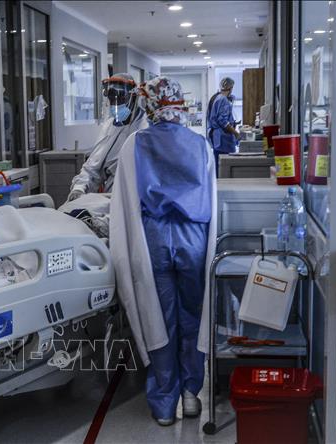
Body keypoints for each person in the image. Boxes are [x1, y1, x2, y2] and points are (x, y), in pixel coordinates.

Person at [109, 77, 217, 426]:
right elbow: (212, 199)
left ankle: (164, 403)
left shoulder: (134, 144)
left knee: (159, 317)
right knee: (193, 315)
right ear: (179, 103)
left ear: (149, 104)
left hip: (153, 239)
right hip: (193, 239)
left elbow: (124, 202)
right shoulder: (200, 145)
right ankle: (191, 394)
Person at [66, 73, 147, 202]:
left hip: (140, 199)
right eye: (111, 99)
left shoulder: (147, 127)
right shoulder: (110, 126)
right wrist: (79, 188)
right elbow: (92, 167)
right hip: (111, 199)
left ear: (134, 97)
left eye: (120, 98)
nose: (115, 104)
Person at [207, 76, 240, 174]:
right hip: (223, 139)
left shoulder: (216, 97)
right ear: (231, 88)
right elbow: (223, 121)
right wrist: (236, 133)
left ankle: (218, 181)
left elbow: (216, 117)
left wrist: (233, 122)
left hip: (217, 137)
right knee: (225, 167)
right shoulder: (224, 100)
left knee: (219, 164)